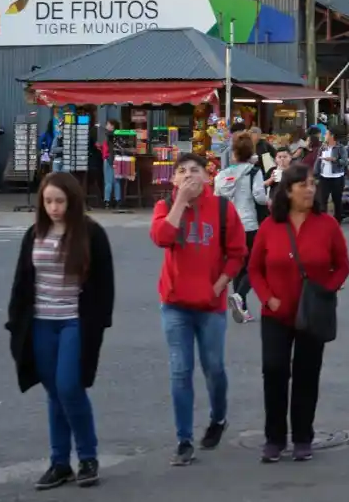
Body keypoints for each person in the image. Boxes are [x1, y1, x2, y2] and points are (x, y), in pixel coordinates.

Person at [8, 172, 114, 491]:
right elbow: (21, 282)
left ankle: (88, 457)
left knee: (69, 386)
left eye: (60, 201)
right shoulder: (34, 234)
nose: (54, 208)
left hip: (74, 321)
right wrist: (16, 321)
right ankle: (60, 463)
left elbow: (104, 285)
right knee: (54, 392)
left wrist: (98, 323)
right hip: (41, 322)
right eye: (48, 201)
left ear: (73, 201)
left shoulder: (91, 234)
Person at [247, 164, 349, 463]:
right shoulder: (270, 226)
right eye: (303, 184)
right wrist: (267, 298)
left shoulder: (327, 224)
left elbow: (342, 265)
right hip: (276, 314)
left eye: (312, 184)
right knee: (274, 371)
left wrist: (326, 290)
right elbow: (254, 268)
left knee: (307, 374)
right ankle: (274, 438)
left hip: (312, 313)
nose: (310, 189)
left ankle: (303, 437)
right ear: (288, 190)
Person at [149, 153, 247, 466]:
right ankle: (184, 440)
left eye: (195, 170)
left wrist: (219, 285)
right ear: (173, 179)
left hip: (210, 304)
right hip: (175, 304)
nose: (189, 175)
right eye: (182, 171)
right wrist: (181, 202)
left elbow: (237, 253)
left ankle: (218, 418)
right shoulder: (166, 207)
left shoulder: (222, 209)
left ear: (207, 177)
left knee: (213, 366)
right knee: (180, 371)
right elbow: (161, 238)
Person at [215, 132, 269, 324]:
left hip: (229, 225)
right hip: (249, 224)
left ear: (234, 153)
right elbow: (259, 197)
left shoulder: (222, 175)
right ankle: (239, 295)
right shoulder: (254, 172)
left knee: (238, 265)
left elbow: (217, 198)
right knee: (257, 265)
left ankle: (242, 308)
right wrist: (269, 200)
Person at [314, 130, 348, 220]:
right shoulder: (323, 147)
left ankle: (337, 220)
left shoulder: (340, 147)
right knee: (323, 200)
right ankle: (323, 220)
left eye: (326, 134)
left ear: (332, 136)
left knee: (337, 200)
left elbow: (345, 162)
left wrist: (334, 159)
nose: (324, 135)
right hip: (324, 177)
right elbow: (318, 160)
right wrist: (315, 173)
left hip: (337, 177)